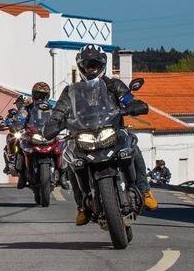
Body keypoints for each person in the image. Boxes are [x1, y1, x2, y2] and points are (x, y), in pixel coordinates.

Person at [48, 45, 158, 226]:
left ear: (102, 64)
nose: (91, 67)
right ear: (80, 66)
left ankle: (144, 191)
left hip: (113, 132)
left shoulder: (113, 85)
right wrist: (54, 122)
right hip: (83, 135)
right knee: (71, 161)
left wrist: (134, 105)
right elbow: (60, 110)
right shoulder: (70, 91)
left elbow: (128, 98)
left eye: (95, 64)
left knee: (133, 146)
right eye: (87, 64)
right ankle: (82, 206)